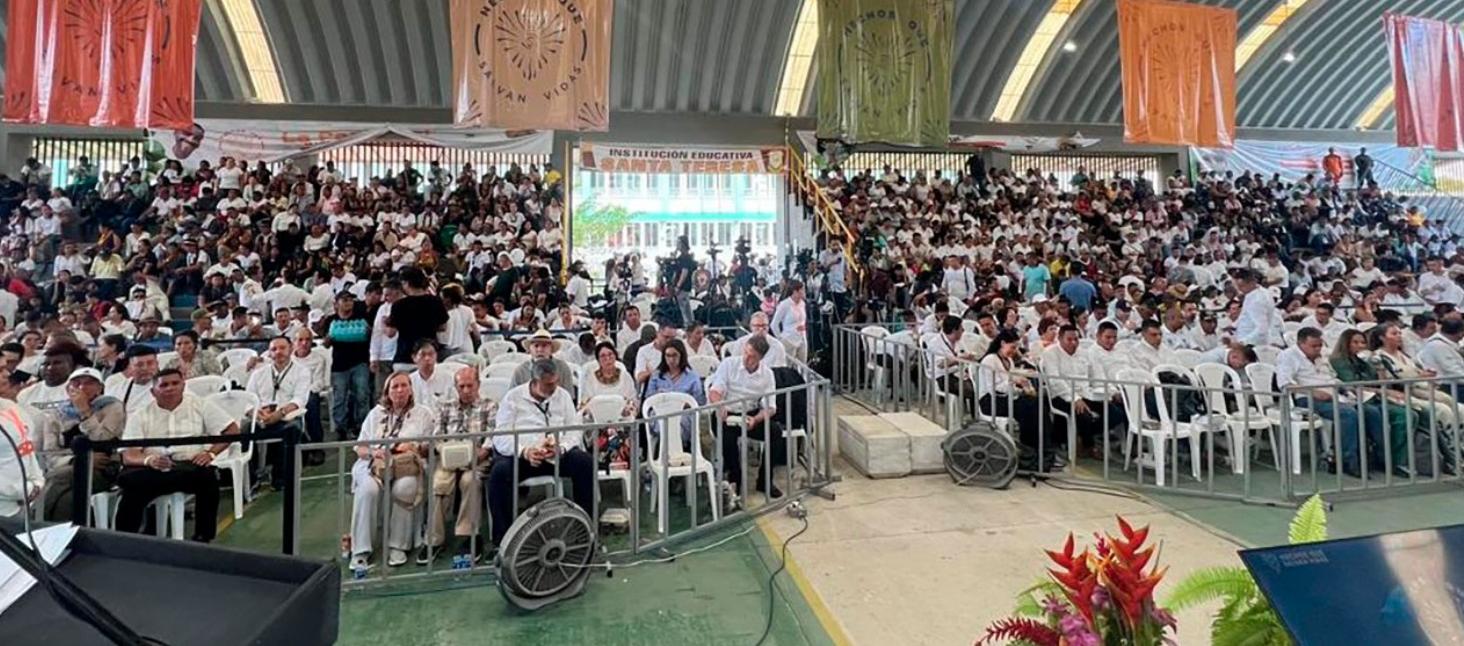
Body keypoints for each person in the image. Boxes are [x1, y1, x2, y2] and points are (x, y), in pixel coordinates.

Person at [115, 369, 239, 542]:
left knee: (208, 478)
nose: (170, 388)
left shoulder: (200, 404)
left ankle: (203, 537)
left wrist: (211, 453)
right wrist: (149, 460)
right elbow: (129, 454)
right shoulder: (140, 414)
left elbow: (232, 430)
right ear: (153, 391)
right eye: (164, 385)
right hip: (153, 469)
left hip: (188, 465)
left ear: (183, 385)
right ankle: (124, 541)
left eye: (175, 383)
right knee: (131, 487)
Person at [488, 359, 594, 547]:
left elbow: (574, 430)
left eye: (555, 383)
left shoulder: (563, 396)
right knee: (499, 473)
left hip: (556, 454)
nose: (554, 388)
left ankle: (584, 529)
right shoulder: (513, 398)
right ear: (535, 382)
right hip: (525, 456)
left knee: (585, 463)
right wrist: (524, 451)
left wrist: (561, 447)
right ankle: (503, 541)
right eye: (548, 385)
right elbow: (500, 437)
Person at [350, 371, 434, 569]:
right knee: (368, 490)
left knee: (405, 488)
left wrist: (414, 447)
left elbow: (430, 447)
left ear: (411, 390)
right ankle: (361, 550)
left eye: (404, 385)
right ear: (387, 392)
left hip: (407, 465)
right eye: (395, 386)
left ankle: (398, 545)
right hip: (374, 463)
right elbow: (360, 447)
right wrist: (373, 452)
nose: (400, 390)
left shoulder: (423, 413)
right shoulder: (375, 414)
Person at [1277, 327, 1382, 476]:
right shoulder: (1288, 356)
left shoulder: (1322, 356)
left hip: (1334, 394)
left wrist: (1346, 388)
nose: (1318, 349)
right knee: (1348, 414)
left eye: (1320, 345)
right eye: (1314, 346)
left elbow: (1331, 377)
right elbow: (1285, 384)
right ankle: (1347, 460)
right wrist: (1313, 391)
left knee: (1372, 411)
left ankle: (1379, 457)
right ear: (1301, 343)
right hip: (1307, 398)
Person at [42, 368, 125, 521]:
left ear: (100, 388)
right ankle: (62, 539)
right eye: (76, 383)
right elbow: (50, 453)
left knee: (55, 478)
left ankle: (34, 523)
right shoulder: (56, 414)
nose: (81, 388)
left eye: (88, 383)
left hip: (103, 469)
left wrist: (85, 411)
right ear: (68, 389)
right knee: (67, 500)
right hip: (68, 466)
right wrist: (79, 460)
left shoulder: (113, 407)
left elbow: (103, 439)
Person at [1330, 329, 1416, 475]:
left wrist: (1379, 366)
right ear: (1346, 343)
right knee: (1382, 414)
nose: (1360, 346)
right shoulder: (1338, 361)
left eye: (1363, 342)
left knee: (1410, 414)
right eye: (1355, 342)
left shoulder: (1363, 360)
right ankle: (1386, 459)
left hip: (1375, 398)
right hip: (1356, 400)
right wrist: (1384, 391)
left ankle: (1399, 459)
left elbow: (1377, 381)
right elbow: (1353, 384)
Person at [425, 366, 488, 563]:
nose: (466, 390)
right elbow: (436, 437)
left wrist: (483, 452)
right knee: (439, 483)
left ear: (478, 385)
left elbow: (494, 434)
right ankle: (434, 540)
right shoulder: (445, 407)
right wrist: (446, 452)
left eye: (470, 385)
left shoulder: (489, 406)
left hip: (478, 458)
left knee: (471, 481)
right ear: (456, 387)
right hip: (449, 459)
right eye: (462, 386)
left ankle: (468, 536)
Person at [709, 335, 782, 500]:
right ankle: (735, 479)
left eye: (752, 356)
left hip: (750, 414)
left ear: (761, 358)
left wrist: (756, 419)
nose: (747, 358)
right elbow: (715, 390)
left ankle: (765, 480)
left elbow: (770, 407)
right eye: (746, 353)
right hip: (727, 411)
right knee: (727, 439)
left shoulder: (767, 374)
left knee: (775, 433)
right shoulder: (729, 364)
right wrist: (719, 405)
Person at [244, 337, 310, 487]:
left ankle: (281, 478)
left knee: (292, 429)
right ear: (269, 353)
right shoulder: (258, 373)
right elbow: (248, 399)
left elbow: (300, 399)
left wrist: (279, 414)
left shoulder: (302, 371)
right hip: (261, 417)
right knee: (244, 429)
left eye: (282, 348)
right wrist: (257, 413)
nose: (278, 352)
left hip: (287, 416)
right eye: (274, 349)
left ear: (291, 349)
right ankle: (251, 479)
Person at [976, 331, 1050, 461]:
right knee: (1028, 408)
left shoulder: (1008, 360)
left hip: (1006, 396)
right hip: (990, 400)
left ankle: (1041, 447)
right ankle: (1030, 449)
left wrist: (1022, 387)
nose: (1014, 351)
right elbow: (993, 388)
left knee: (1038, 404)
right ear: (1003, 343)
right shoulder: (990, 360)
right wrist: (1014, 382)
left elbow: (1009, 383)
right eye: (1012, 347)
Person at [319, 291, 371, 438]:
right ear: (337, 303)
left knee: (362, 395)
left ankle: (361, 426)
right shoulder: (331, 320)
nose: (348, 303)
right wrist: (328, 338)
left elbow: (370, 337)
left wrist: (368, 331)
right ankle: (340, 428)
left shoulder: (362, 318)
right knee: (339, 398)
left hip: (360, 362)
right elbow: (326, 344)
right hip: (339, 365)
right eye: (345, 300)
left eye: (351, 300)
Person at [645, 339, 706, 448]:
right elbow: (648, 399)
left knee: (679, 422)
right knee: (663, 422)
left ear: (681, 356)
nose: (671, 359)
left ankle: (677, 449)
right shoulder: (657, 375)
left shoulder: (692, 376)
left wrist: (680, 403)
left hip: (683, 414)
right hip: (660, 412)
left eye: (674, 356)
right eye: (668, 356)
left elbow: (699, 402)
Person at [387, 267, 448, 371]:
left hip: (405, 356)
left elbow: (390, 333)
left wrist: (385, 323)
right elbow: (443, 327)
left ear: (406, 283)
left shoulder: (399, 305)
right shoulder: (435, 301)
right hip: (428, 355)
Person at [0, 393, 42, 518]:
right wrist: (22, 490)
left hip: (18, 509)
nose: (6, 374)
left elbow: (26, 447)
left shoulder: (11, 407)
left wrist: (37, 482)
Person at [578, 341, 636, 411]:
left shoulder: (625, 377)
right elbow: (585, 403)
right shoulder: (591, 379)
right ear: (598, 360)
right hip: (597, 419)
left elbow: (632, 401)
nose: (607, 359)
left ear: (615, 356)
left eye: (610, 354)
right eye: (603, 356)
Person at [511, 329, 576, 387]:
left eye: (544, 346)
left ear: (551, 349)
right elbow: (512, 398)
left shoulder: (563, 368)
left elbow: (568, 396)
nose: (540, 350)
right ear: (530, 350)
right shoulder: (520, 371)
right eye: (536, 346)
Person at [105, 344, 159, 413]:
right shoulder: (117, 390)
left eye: (150, 363)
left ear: (157, 364)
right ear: (130, 367)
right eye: (139, 365)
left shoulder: (165, 387)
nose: (145, 368)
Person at [1232, 269, 1278, 348]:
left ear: (1252, 282)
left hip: (1251, 343)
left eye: (1241, 286)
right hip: (1245, 336)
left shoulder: (1257, 301)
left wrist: (1243, 342)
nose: (1239, 290)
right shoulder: (1257, 293)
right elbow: (1245, 314)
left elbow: (1262, 328)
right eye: (1237, 286)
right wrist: (1234, 325)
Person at [408, 339, 455, 407]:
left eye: (431, 354)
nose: (427, 358)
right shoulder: (409, 381)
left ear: (436, 356)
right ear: (414, 358)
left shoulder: (449, 378)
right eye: (423, 355)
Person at [771, 280, 809, 364]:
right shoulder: (784, 304)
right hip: (789, 340)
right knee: (788, 366)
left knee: (803, 366)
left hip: (802, 339)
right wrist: (781, 338)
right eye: (802, 290)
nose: (803, 292)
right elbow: (774, 324)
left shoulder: (803, 304)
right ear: (795, 291)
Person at [634, 318, 680, 386]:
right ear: (658, 334)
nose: (669, 341)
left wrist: (651, 371)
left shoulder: (679, 350)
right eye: (666, 337)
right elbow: (639, 378)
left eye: (672, 338)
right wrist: (655, 373)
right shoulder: (644, 351)